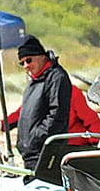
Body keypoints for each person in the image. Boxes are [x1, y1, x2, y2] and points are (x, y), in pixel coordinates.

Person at [15, 36, 78, 170]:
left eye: (28, 60)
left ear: (41, 56)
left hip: (46, 152)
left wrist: (36, 137)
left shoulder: (57, 77)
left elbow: (57, 116)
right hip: (30, 153)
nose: (26, 66)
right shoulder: (34, 80)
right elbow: (27, 113)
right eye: (22, 63)